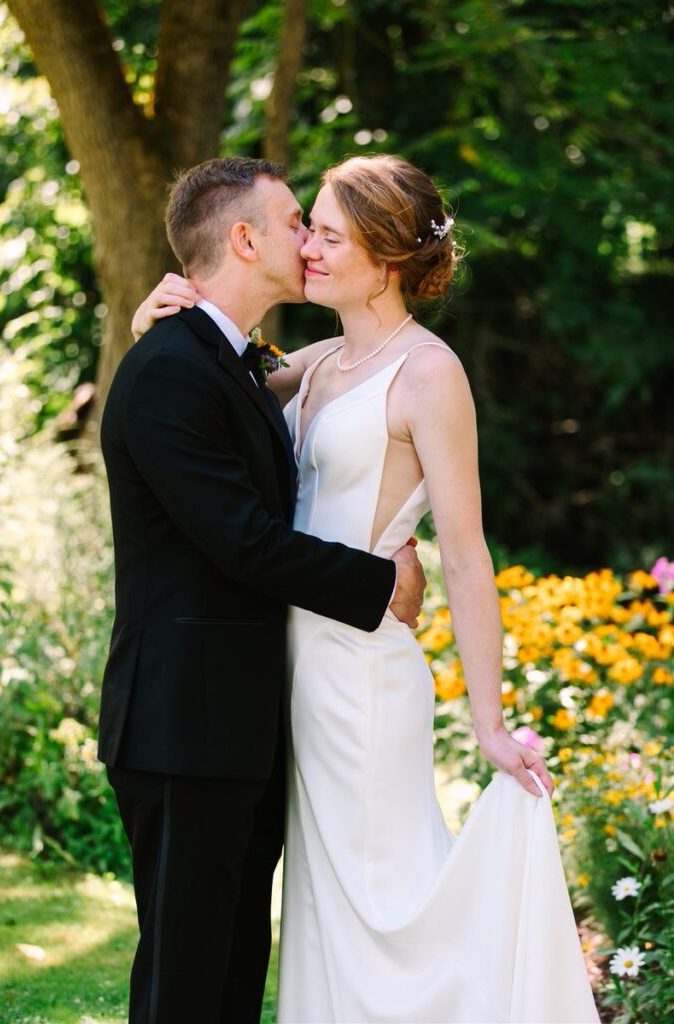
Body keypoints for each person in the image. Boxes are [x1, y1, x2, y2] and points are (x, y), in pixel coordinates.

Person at [135, 155, 600, 1022]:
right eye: (306, 225)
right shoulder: (315, 363)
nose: (307, 245)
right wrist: (159, 324)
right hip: (288, 671)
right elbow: (204, 391)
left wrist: (489, 722)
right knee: (325, 910)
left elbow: (462, 553)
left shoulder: (428, 373)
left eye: (329, 234)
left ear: (386, 258)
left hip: (363, 677)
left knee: (387, 908)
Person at [98, 155, 427, 1024]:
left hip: (234, 725)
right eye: (294, 224)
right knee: (187, 980)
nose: (309, 242)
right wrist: (380, 582)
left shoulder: (227, 360)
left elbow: (342, 376)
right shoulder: (172, 370)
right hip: (181, 728)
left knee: (232, 974)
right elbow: (244, 542)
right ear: (243, 239)